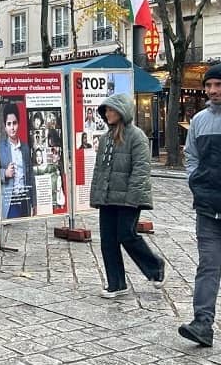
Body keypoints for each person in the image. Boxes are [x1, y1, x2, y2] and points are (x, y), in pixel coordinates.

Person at [89, 93, 165, 299]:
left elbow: (141, 169)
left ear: (122, 112)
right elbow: (100, 171)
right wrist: (96, 195)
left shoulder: (137, 136)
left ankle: (155, 266)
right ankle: (116, 284)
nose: (107, 113)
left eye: (111, 109)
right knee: (107, 241)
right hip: (108, 198)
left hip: (129, 198)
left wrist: (133, 198)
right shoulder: (105, 139)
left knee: (126, 235)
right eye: (105, 110)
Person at [179, 63, 221, 347]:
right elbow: (190, 155)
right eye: (209, 86)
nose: (212, 90)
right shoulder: (199, 120)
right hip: (207, 209)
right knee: (208, 267)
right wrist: (195, 178)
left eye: (217, 85)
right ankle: (202, 324)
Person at [0, 102, 34, 218]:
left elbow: (31, 176)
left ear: (18, 123)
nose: (12, 127)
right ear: (5, 126)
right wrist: (5, 173)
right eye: (9, 124)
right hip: (10, 201)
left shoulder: (25, 148)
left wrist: (34, 203)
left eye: (14, 123)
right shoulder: (0, 148)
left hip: (24, 201)